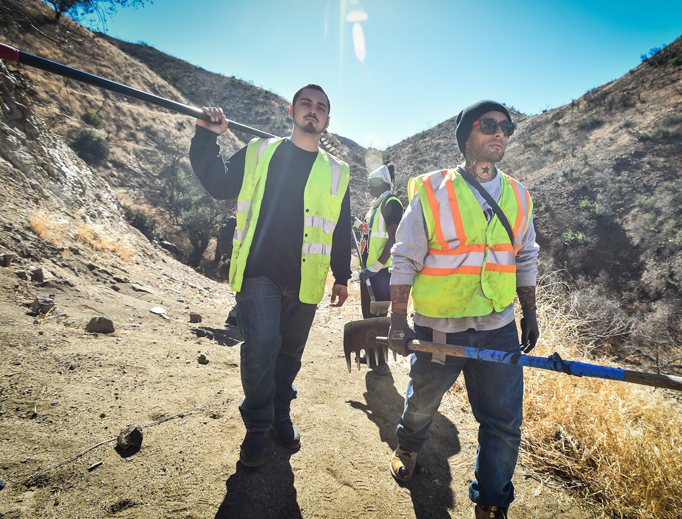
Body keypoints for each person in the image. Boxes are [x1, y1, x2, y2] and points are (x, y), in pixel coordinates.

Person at [386, 100, 539, 519]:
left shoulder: (520, 197)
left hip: (498, 326)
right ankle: (408, 445)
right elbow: (404, 258)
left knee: (504, 420)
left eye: (506, 127)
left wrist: (531, 313)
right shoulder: (432, 190)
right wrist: (398, 320)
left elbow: (526, 258)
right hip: (439, 328)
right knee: (423, 400)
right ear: (465, 135)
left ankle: (491, 499)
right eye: (488, 125)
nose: (500, 133)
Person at [189, 84, 351, 468]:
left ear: (328, 120)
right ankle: (258, 426)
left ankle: (280, 414)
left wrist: (342, 275)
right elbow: (219, 183)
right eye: (306, 104)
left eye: (321, 108)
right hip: (259, 270)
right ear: (292, 110)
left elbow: (341, 226)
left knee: (289, 355)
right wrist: (206, 137)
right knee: (261, 346)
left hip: (306, 278)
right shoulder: (261, 151)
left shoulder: (337, 171)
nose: (313, 111)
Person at [358, 164, 403, 375]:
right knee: (368, 315)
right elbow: (371, 234)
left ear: (382, 183)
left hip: (382, 273)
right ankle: (371, 354)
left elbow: (394, 238)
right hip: (369, 272)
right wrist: (358, 224)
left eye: (372, 183)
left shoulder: (391, 203)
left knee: (380, 316)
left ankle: (382, 362)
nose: (368, 187)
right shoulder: (375, 206)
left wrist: (376, 267)